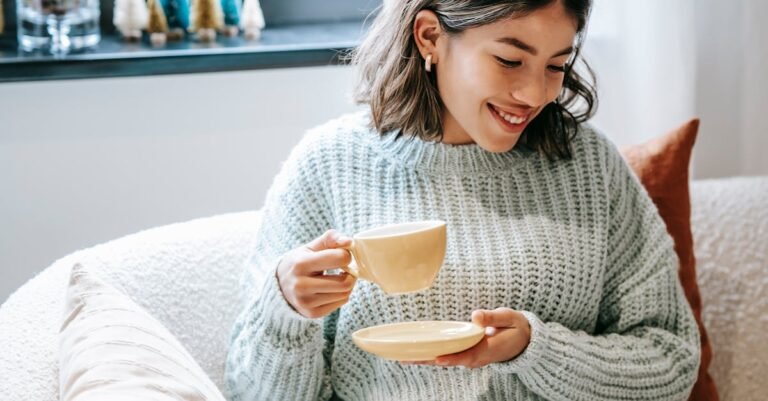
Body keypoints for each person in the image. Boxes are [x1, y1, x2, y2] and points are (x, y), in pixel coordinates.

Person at [224, 0, 701, 400]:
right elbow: (251, 393)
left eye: (556, 65)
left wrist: (537, 349)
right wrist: (284, 308)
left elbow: (671, 361)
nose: (535, 92)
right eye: (510, 60)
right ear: (430, 36)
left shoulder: (588, 166)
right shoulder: (327, 166)